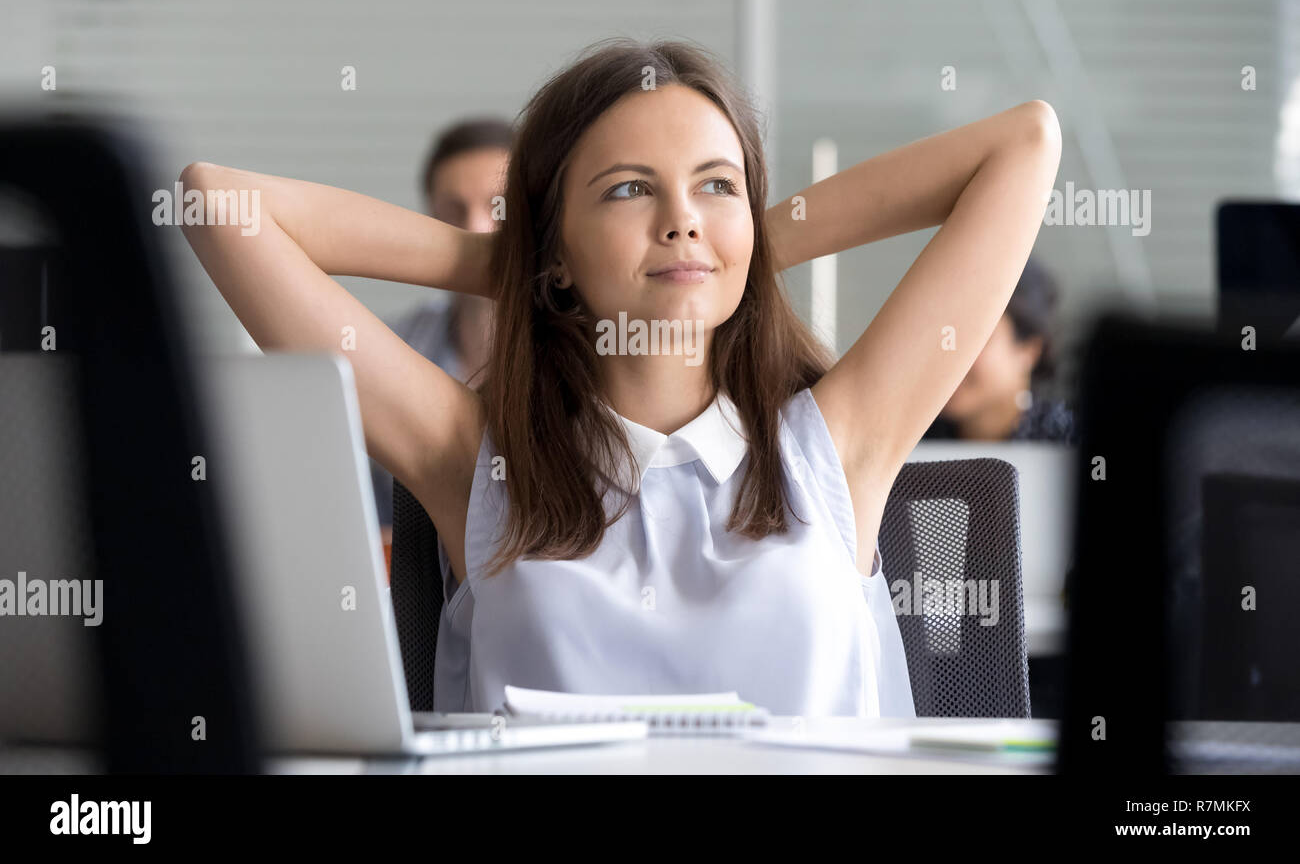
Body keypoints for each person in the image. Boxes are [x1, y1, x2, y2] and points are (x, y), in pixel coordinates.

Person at [177, 37, 1062, 718]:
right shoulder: (476, 463)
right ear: (556, 248)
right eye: (630, 191)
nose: (681, 220)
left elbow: (1025, 144)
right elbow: (218, 202)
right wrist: (514, 258)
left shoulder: (836, 444)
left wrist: (738, 248)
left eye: (716, 184)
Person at [367, 119, 511, 555]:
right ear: (429, 221)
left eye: (498, 208)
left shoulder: (593, 354)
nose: (476, 229)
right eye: (453, 209)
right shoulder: (385, 346)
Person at [922, 255, 1078, 443]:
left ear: (1029, 350)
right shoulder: (912, 441)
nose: (946, 351)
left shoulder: (1070, 441)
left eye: (973, 336)